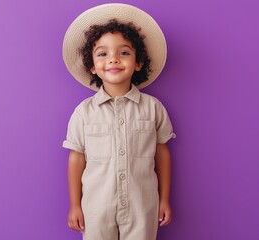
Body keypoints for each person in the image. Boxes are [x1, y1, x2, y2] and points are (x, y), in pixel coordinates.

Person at [62, 4, 176, 240]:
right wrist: (75, 204)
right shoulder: (84, 113)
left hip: (142, 207)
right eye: (103, 54)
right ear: (93, 67)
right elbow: (76, 158)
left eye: (123, 52)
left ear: (138, 63)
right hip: (96, 208)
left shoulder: (153, 108)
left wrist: (164, 199)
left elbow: (162, 154)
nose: (113, 59)